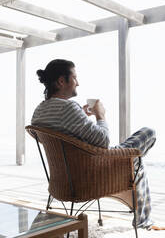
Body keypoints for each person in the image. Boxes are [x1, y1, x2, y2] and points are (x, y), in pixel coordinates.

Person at [31, 59, 165, 231]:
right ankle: (143, 221)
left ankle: (143, 215)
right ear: (61, 81)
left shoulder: (39, 111)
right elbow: (103, 141)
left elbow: (62, 139)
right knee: (147, 136)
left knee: (134, 158)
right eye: (74, 78)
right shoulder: (68, 108)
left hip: (63, 180)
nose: (78, 83)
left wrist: (80, 114)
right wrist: (100, 116)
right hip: (90, 175)